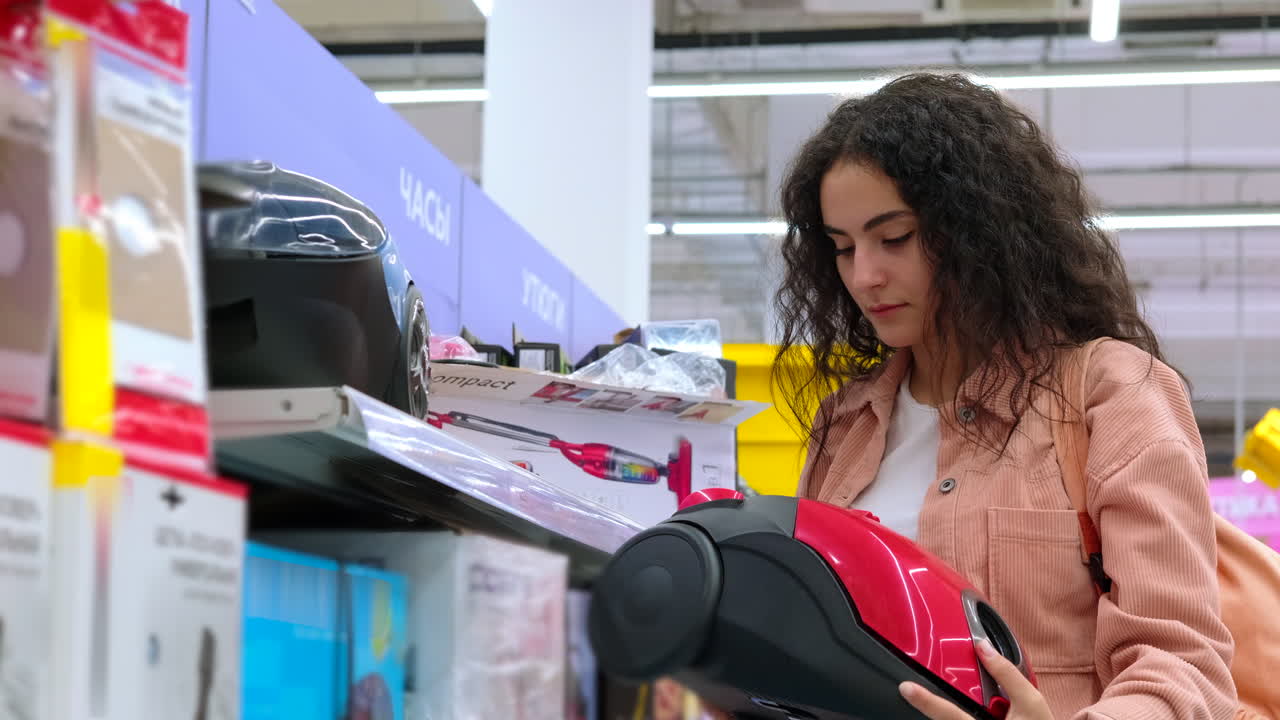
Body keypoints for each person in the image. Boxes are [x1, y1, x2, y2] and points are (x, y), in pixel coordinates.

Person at [766, 73, 1236, 719]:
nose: (864, 276)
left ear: (979, 231)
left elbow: (1183, 664)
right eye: (843, 248)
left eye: (894, 238)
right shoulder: (845, 424)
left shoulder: (1108, 395)